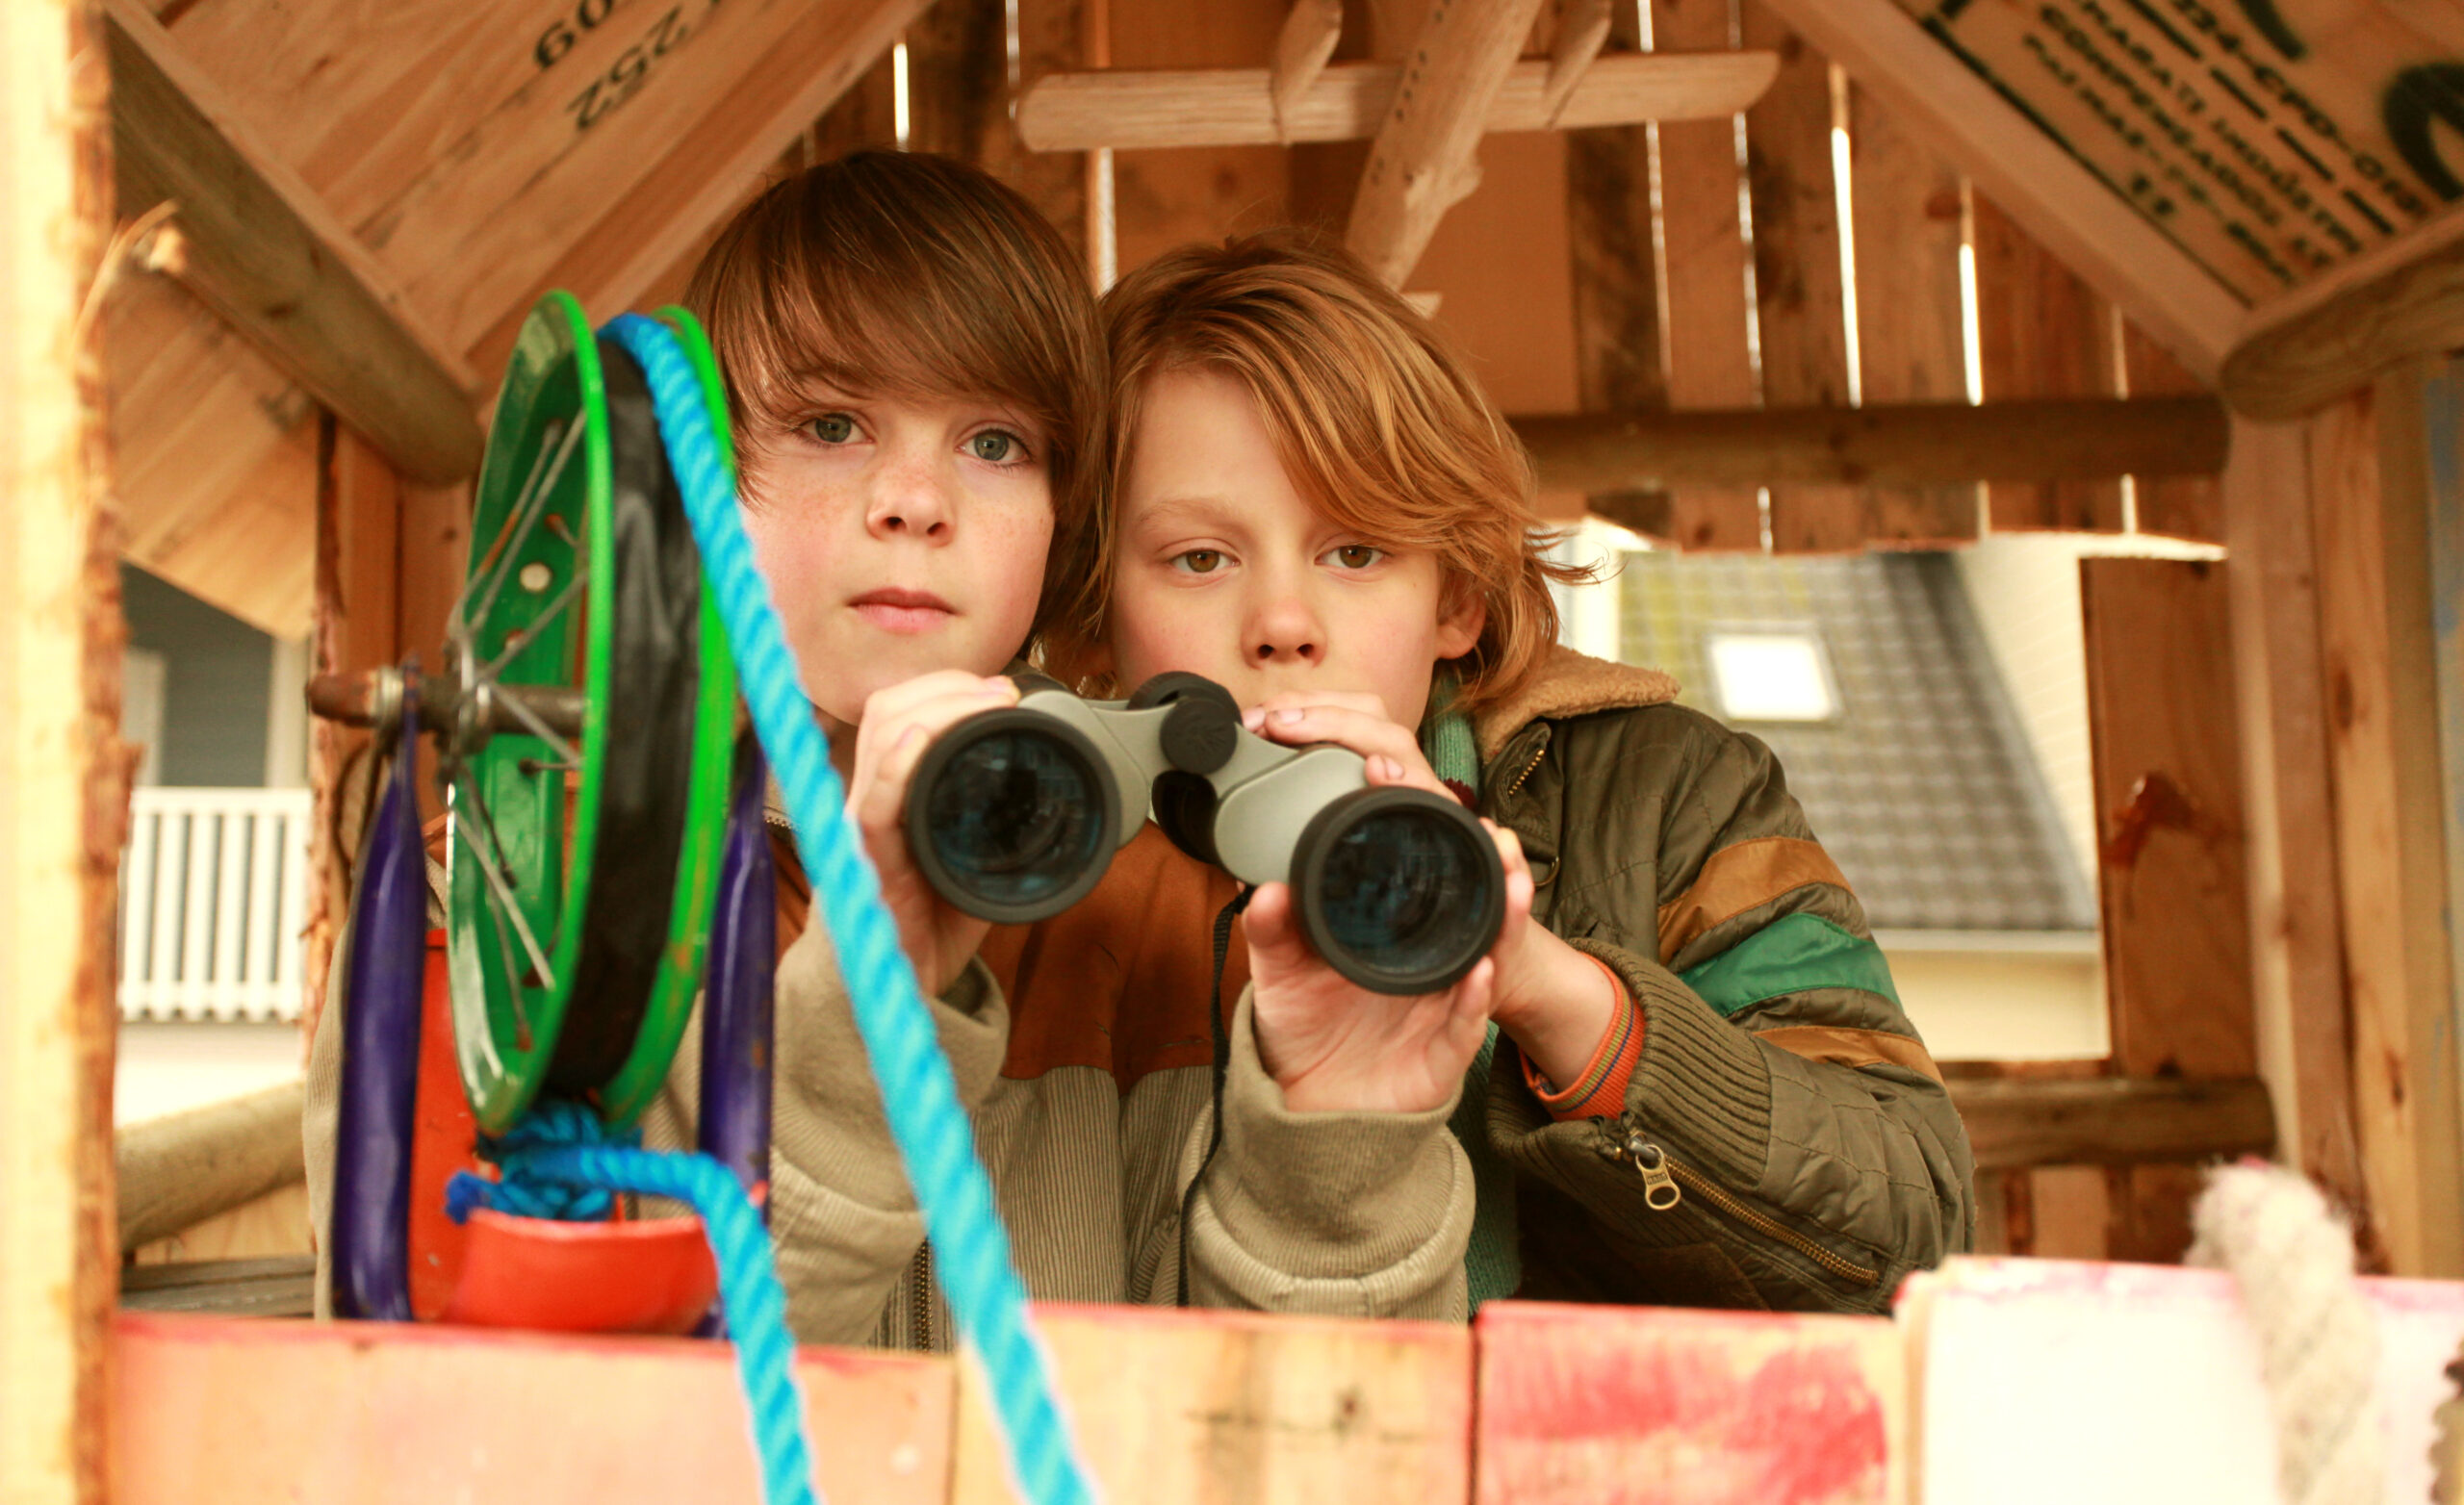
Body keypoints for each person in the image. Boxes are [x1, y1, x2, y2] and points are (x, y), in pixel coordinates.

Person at [305, 153, 1507, 1346]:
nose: (914, 499)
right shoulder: (516, 891)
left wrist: (1339, 1151)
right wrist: (847, 1033)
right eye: (832, 426)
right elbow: (481, 1433)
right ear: (708, 482)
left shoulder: (1189, 908)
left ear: (1061, 523)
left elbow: (1309, 1442)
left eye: (994, 443)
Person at [1021, 230, 1975, 1315]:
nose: (1282, 623)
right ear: (1097, 610)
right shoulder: (1035, 851)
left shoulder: (1666, 796)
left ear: (1456, 598)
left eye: (1355, 552)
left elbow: (1911, 1246)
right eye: (1200, 558)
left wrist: (1547, 990)